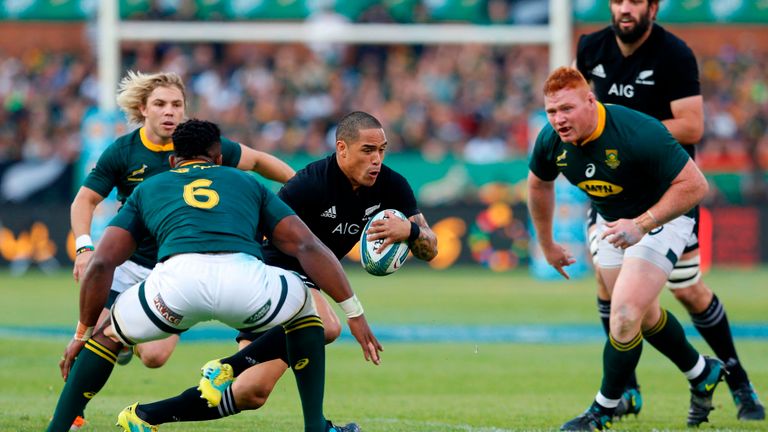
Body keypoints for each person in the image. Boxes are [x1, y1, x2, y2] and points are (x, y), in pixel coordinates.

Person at [47, 119, 381, 432]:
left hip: (176, 288)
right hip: (246, 286)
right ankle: (316, 427)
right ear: (220, 157)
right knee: (307, 310)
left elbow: (102, 263)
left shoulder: (149, 188)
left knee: (108, 338)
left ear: (174, 160)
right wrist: (354, 312)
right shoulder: (247, 182)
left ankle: (57, 428)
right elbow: (307, 246)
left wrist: (82, 334)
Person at [113, 111, 439, 430]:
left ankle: (145, 415)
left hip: (313, 277)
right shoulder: (308, 185)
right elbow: (263, 233)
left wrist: (410, 233)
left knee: (250, 393)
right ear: (342, 148)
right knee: (325, 325)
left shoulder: (392, 185)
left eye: (382, 150)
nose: (377, 159)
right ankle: (237, 372)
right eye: (368, 150)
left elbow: (430, 247)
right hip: (273, 274)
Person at [65, 70, 295, 429]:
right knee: (91, 332)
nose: (169, 111)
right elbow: (85, 199)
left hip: (174, 267)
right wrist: (83, 247)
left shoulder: (196, 147)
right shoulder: (123, 152)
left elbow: (259, 161)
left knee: (154, 357)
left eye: (177, 104)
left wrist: (298, 186)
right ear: (143, 109)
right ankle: (74, 414)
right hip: (129, 262)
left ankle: (125, 341)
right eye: (160, 104)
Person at [575, 0, 764, 421]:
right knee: (608, 288)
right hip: (611, 192)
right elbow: (580, 106)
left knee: (688, 290)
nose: (625, 8)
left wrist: (623, 131)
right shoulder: (591, 47)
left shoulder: (674, 53)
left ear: (653, 7)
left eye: (635, 1)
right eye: (618, 0)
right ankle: (627, 391)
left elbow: (692, 126)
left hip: (667, 194)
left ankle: (738, 382)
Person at [528, 67, 726, 430]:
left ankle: (602, 409)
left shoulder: (636, 131)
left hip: (663, 218)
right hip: (614, 223)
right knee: (644, 316)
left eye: (567, 109)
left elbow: (696, 185)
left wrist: (643, 223)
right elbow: (539, 185)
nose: (559, 119)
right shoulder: (551, 140)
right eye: (552, 111)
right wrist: (547, 244)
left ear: (591, 101)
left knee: (623, 313)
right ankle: (702, 372)